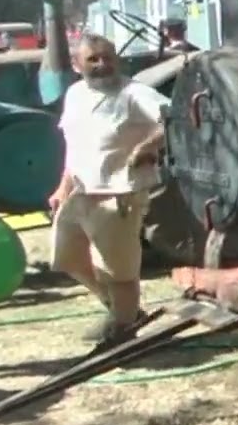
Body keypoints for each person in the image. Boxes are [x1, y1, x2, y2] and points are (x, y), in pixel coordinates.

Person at [48, 34, 170, 345]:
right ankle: (123, 312)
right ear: (77, 65)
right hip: (79, 192)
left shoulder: (134, 93)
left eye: (108, 57)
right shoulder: (75, 94)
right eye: (93, 59)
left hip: (119, 194)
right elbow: (73, 145)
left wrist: (148, 145)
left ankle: (123, 331)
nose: (103, 65)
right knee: (68, 258)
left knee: (118, 271)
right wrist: (63, 186)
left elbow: (173, 118)